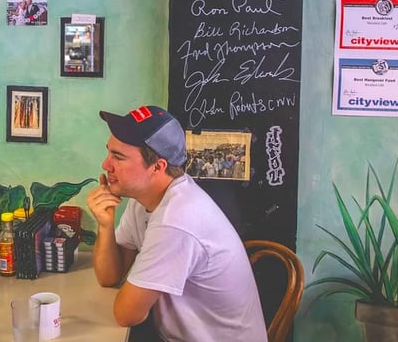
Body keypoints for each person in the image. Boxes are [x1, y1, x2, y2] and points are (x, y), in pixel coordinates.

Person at [86, 105, 266, 342]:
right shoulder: (144, 199)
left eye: (118, 157)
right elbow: (109, 277)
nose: (106, 165)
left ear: (157, 167)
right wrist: (105, 225)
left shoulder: (176, 220)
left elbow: (126, 315)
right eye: (109, 153)